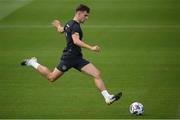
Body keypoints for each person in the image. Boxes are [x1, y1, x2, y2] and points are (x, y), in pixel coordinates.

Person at [21, 4, 122, 105]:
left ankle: (107, 97)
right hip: (69, 58)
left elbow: (62, 29)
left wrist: (58, 26)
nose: (86, 18)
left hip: (77, 58)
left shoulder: (69, 23)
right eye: (85, 15)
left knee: (96, 74)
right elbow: (76, 41)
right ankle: (32, 62)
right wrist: (92, 48)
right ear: (79, 13)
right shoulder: (75, 27)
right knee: (51, 77)